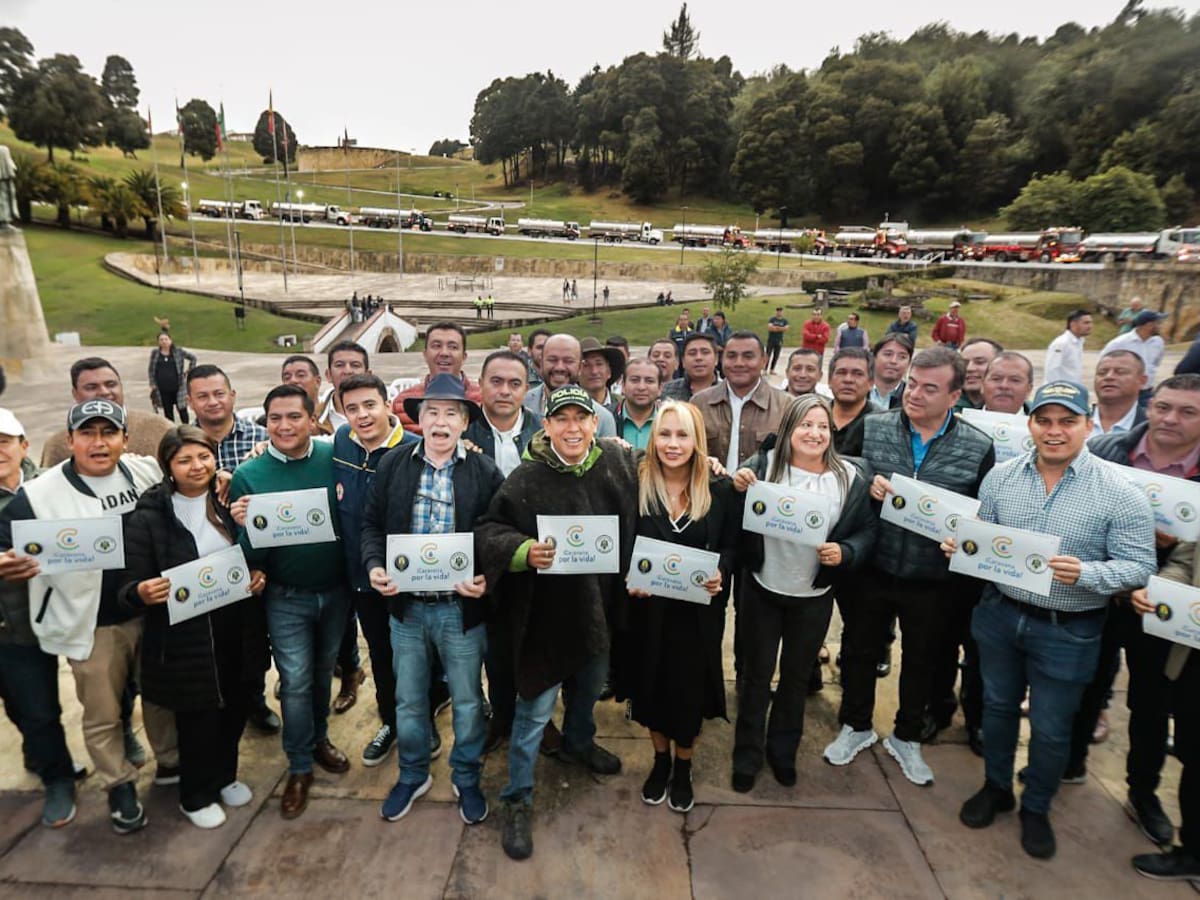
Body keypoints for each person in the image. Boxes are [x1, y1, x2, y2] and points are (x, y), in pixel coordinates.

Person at [948, 380, 1156, 860]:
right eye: (1044, 420)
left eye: (1067, 421)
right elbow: (988, 538)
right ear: (1031, 424)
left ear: (1089, 424)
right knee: (997, 708)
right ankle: (997, 786)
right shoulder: (1000, 477)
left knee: (1051, 725)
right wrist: (965, 549)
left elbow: (1139, 565)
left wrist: (1089, 573)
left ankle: (1036, 805)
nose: (1054, 431)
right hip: (1001, 614)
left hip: (1068, 627)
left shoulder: (1121, 492)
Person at [476, 385, 639, 861]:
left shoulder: (618, 464)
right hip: (546, 617)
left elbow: (670, 465)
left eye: (581, 419)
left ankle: (578, 744)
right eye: (561, 419)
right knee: (532, 714)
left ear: (595, 423)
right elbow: (490, 530)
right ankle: (517, 797)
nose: (572, 428)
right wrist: (524, 552)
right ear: (545, 426)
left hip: (600, 610)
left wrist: (711, 467)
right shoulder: (527, 478)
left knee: (588, 691)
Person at [0, 399, 177, 835]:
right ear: (70, 440)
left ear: (124, 439)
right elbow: (7, 543)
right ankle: (119, 784)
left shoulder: (144, 472)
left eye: (108, 433)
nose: (98, 443)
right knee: (101, 712)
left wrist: (222, 475)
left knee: (161, 697)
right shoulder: (37, 496)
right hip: (93, 622)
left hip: (151, 612)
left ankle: (172, 764)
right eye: (87, 434)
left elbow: (187, 478)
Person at [824, 347, 994, 787]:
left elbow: (987, 514)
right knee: (860, 651)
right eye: (912, 383)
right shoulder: (875, 426)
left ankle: (907, 735)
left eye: (929, 388)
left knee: (923, 660)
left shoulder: (978, 446)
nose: (915, 394)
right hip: (874, 567)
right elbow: (841, 479)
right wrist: (866, 484)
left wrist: (968, 537)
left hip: (934, 578)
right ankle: (855, 724)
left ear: (955, 395)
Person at [1064, 375, 1200, 845]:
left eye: (1187, 412)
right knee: (1085, 680)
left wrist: (1175, 546)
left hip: (1167, 605)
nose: (1170, 419)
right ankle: (1071, 760)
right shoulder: (1106, 449)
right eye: (1163, 407)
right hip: (1099, 589)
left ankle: (1142, 793)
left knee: (1150, 701)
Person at [362, 374, 503, 825]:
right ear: (418, 419)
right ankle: (413, 773)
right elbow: (370, 526)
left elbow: (499, 534)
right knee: (408, 699)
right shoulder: (394, 464)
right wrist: (374, 567)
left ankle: (466, 777)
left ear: (465, 422)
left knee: (466, 700)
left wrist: (486, 578)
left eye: (451, 414)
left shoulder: (483, 471)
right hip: (407, 610)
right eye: (432, 413)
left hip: (460, 611)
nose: (441, 422)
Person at [120, 426, 267, 829]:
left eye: (203, 456)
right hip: (185, 631)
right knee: (198, 714)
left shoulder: (227, 500)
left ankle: (225, 776)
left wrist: (256, 573)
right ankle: (195, 793)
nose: (196, 466)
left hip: (236, 621)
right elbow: (129, 582)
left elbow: (255, 550)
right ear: (168, 466)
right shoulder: (150, 515)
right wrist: (141, 591)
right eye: (184, 459)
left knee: (238, 700)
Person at [731, 395, 875, 793]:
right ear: (789, 430)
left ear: (831, 433)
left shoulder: (849, 478)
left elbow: (866, 530)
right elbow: (733, 507)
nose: (814, 434)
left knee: (795, 679)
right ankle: (746, 754)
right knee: (756, 676)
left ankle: (783, 752)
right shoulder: (763, 468)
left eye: (822, 427)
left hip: (811, 596)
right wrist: (738, 483)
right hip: (762, 587)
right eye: (805, 425)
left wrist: (846, 552)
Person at [229, 384, 350, 819]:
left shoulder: (333, 457)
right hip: (286, 596)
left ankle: (318, 739)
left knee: (321, 673)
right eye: (275, 418)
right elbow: (248, 554)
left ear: (311, 419)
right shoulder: (249, 475)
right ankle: (299, 765)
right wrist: (245, 526)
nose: (283, 426)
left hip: (336, 591)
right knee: (295, 681)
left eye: (293, 417)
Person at [619, 401, 738, 811]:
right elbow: (623, 546)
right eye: (665, 433)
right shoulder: (635, 483)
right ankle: (659, 760)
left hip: (697, 616)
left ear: (697, 440)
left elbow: (733, 545)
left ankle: (683, 766)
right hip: (648, 612)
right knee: (650, 688)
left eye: (682, 434)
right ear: (653, 437)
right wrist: (629, 581)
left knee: (688, 694)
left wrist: (722, 570)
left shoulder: (718, 489)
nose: (673, 443)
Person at [184, 365, 278, 735]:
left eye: (219, 393)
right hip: (203, 561)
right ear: (189, 401)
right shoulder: (180, 441)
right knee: (211, 645)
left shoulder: (261, 438)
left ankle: (254, 700)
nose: (212, 402)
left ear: (233, 395)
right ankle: (217, 703)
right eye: (202, 395)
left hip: (254, 558)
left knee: (254, 642)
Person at [331, 374, 419, 768]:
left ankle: (422, 719)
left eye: (370, 405)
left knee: (419, 655)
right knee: (381, 654)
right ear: (342, 412)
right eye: (352, 408)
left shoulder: (416, 448)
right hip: (361, 577)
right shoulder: (338, 445)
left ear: (387, 404)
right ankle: (392, 721)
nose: (362, 415)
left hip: (413, 576)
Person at [0, 408, 76, 828]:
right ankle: (46, 758)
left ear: (23, 446)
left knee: (40, 708)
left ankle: (57, 777)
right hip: (8, 624)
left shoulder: (52, 485)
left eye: (4, 441)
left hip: (49, 614)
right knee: (20, 705)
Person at [463, 351, 539, 753]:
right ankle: (503, 718)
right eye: (496, 381)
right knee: (495, 648)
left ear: (527, 389)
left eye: (515, 383)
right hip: (483, 561)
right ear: (481, 384)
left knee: (536, 644)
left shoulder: (544, 431)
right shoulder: (464, 432)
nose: (505, 391)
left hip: (534, 558)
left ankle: (538, 719)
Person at [1129, 538, 1200, 884]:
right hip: (1192, 652)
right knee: (1194, 753)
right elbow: (1187, 561)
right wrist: (1163, 592)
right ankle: (1193, 853)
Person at [42, 357, 173, 467]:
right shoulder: (57, 445)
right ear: (75, 394)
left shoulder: (161, 429)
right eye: (91, 387)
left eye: (111, 384)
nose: (104, 392)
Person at [693, 332, 791, 472]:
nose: (739, 363)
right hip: (710, 491)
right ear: (722, 360)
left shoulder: (785, 406)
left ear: (764, 361)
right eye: (731, 356)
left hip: (763, 492)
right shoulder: (699, 403)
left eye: (748, 356)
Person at [392, 323, 484, 435]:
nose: (444, 353)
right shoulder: (402, 402)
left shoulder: (483, 400)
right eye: (436, 346)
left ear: (464, 357)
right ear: (425, 354)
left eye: (453, 347)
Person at [522, 334, 618, 437]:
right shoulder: (520, 405)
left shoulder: (602, 418)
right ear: (541, 363)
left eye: (568, 361)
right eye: (552, 360)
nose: (559, 367)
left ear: (580, 367)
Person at [1102, 310, 1166, 399]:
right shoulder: (1120, 343)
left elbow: (1156, 363)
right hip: (1123, 393)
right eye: (1158, 323)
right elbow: (1103, 363)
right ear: (1148, 325)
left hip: (1146, 392)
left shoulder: (1158, 342)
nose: (1160, 326)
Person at [826, 348, 875, 456]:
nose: (848, 380)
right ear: (829, 380)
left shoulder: (881, 425)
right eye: (841, 372)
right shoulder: (813, 416)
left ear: (871, 383)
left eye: (858, 374)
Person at [316, 341, 369, 436]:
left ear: (368, 375)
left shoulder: (386, 415)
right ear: (328, 375)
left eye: (355, 365)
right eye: (339, 365)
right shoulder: (313, 418)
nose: (347, 371)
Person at [1093, 350, 1149, 435]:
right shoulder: (1074, 420)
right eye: (1102, 372)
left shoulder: (1151, 426)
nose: (1109, 377)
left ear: (1142, 381)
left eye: (1120, 372)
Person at [614, 358, 662, 450]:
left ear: (660, 388)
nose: (641, 387)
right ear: (623, 386)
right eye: (635, 380)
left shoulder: (670, 421)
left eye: (649, 381)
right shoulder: (607, 418)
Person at [148, 333, 197, 423]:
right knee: (168, 411)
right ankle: (172, 431)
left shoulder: (178, 351)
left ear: (170, 340)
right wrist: (152, 383)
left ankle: (186, 428)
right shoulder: (155, 353)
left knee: (182, 409)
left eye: (166, 339)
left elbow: (193, 358)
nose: (164, 341)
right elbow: (151, 369)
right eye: (161, 340)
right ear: (158, 342)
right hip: (163, 389)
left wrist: (189, 371)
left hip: (178, 387)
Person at [662, 332, 719, 401]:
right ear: (683, 361)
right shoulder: (666, 391)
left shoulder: (729, 391)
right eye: (692, 353)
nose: (698, 358)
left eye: (705, 352)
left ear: (716, 359)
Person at [1044, 310, 1093, 385]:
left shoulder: (1079, 342)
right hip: (1060, 392)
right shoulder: (1061, 343)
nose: (1090, 326)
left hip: (1072, 390)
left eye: (1090, 322)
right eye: (1086, 323)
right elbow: (1052, 370)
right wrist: (1057, 391)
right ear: (1073, 324)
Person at [579, 337, 625, 413]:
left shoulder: (624, 405)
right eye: (586, 365)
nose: (594, 371)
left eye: (599, 364)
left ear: (609, 372)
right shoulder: (568, 406)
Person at [868, 334, 913, 411]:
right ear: (874, 357)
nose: (893, 361)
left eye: (902, 357)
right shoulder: (856, 390)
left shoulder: (912, 398)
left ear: (909, 363)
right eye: (888, 354)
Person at [957, 339, 1003, 410]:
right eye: (964, 363)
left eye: (979, 362)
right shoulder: (943, 408)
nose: (969, 368)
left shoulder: (1022, 411)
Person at [766, 307, 790, 374]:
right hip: (771, 340)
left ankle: (772, 369)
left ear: (782, 312)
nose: (779, 313)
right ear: (776, 312)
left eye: (780, 311)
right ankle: (765, 369)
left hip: (779, 340)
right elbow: (770, 328)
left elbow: (786, 329)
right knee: (768, 355)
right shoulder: (772, 319)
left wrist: (776, 328)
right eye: (778, 311)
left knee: (776, 356)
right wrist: (781, 328)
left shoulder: (785, 321)